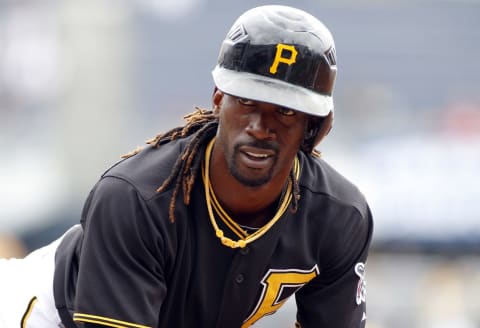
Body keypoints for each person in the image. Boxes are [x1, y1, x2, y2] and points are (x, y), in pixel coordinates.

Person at [0, 5, 373, 328]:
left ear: (314, 127)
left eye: (285, 111)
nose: (260, 128)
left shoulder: (339, 217)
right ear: (218, 100)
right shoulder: (136, 198)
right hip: (39, 314)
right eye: (246, 101)